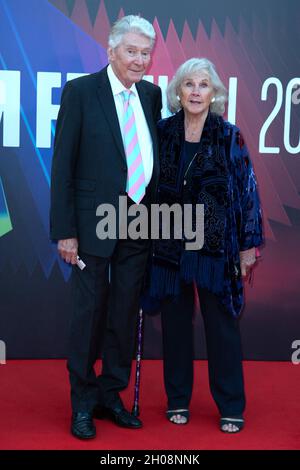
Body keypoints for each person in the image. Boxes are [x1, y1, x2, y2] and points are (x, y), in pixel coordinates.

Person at [50, 15, 162, 439]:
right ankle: (82, 402)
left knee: (124, 312)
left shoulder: (150, 95)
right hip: (91, 222)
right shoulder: (81, 91)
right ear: (111, 50)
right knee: (89, 315)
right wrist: (65, 230)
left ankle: (110, 395)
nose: (139, 60)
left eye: (145, 52)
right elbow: (62, 165)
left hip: (138, 220)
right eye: (131, 51)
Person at [146, 58, 263, 433]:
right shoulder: (161, 133)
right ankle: (177, 399)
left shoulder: (230, 136)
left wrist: (248, 247)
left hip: (216, 250)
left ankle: (231, 404)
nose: (196, 91)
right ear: (177, 92)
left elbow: (248, 193)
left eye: (204, 85)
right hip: (169, 245)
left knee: (221, 325)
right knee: (176, 325)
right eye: (189, 85)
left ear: (215, 94)